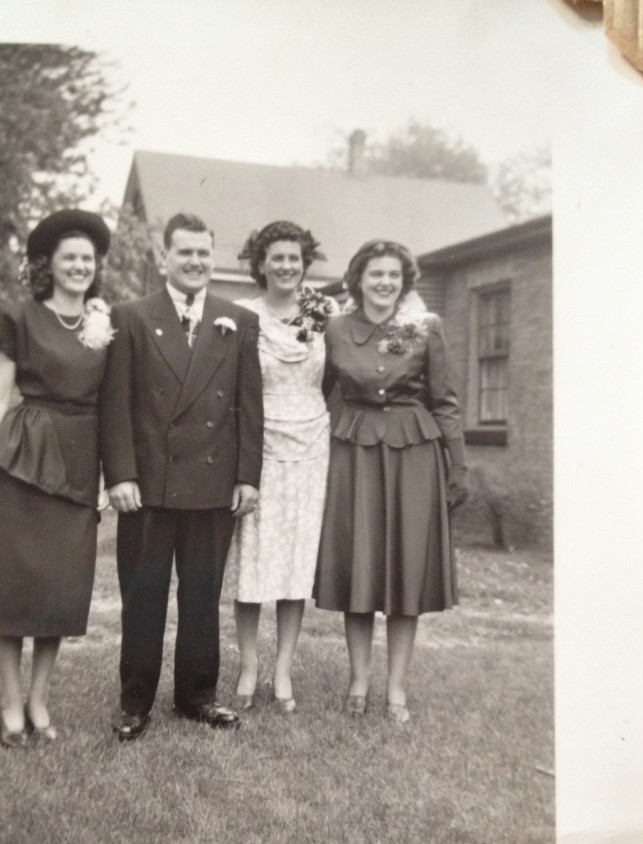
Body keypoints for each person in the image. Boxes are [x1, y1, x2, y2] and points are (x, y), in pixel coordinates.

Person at [99, 212, 263, 740]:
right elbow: (115, 405)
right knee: (143, 594)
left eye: (203, 252)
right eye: (184, 252)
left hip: (214, 485)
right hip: (147, 485)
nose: (195, 261)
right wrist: (120, 474)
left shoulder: (237, 319)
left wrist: (247, 476)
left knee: (201, 596)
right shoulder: (132, 316)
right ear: (164, 257)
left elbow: (248, 407)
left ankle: (197, 697)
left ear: (213, 257)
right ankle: (135, 701)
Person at [0, 209, 113, 747]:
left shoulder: (104, 323)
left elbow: (113, 403)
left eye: (87, 259)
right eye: (69, 257)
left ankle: (40, 699)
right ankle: (8, 700)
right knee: (13, 580)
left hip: (79, 457)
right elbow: (1, 392)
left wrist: (113, 475)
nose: (78, 266)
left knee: (60, 587)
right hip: (25, 456)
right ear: (48, 264)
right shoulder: (21, 317)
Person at [313, 240, 468, 724]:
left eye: (394, 276)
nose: (384, 282)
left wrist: (457, 465)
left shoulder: (426, 327)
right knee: (359, 563)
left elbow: (444, 400)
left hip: (414, 456)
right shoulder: (334, 328)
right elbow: (319, 395)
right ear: (357, 279)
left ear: (405, 283)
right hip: (354, 453)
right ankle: (358, 681)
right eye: (375, 274)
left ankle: (396, 688)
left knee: (406, 570)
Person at [225, 221, 337, 712]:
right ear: (261, 264)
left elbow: (339, 373)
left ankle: (283, 670)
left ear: (304, 263)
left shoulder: (325, 312)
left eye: (295, 258)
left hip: (313, 443)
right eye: (277, 258)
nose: (287, 266)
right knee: (253, 559)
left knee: (295, 559)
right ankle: (249, 667)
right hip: (258, 444)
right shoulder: (240, 315)